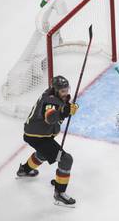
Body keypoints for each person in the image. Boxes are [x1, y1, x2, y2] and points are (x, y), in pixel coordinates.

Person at [17, 75, 79, 206]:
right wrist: (64, 112)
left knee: (44, 153)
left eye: (67, 90)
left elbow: (61, 108)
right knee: (66, 159)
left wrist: (66, 109)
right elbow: (50, 117)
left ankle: (25, 170)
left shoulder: (53, 94)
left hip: (36, 134)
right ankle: (59, 194)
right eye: (63, 91)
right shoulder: (50, 101)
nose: (66, 93)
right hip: (37, 136)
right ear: (56, 90)